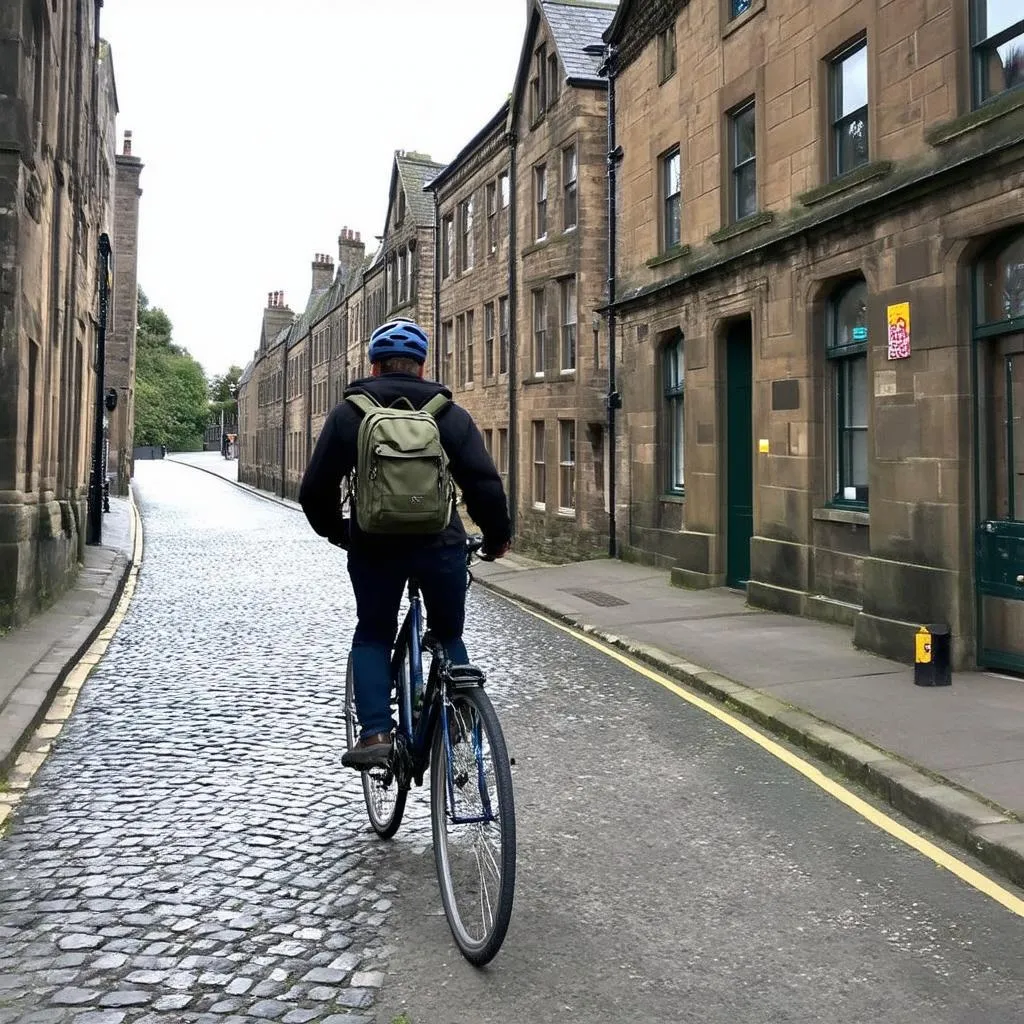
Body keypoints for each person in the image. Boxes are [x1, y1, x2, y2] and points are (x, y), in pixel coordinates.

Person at [298, 318, 512, 769]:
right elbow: (484, 485)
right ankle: (460, 716)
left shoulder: (348, 415)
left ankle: (375, 731)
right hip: (442, 545)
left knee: (374, 632)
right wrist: (497, 539)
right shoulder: (449, 415)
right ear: (422, 366)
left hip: (375, 547)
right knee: (449, 632)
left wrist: (339, 532)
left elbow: (315, 492)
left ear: (373, 366)